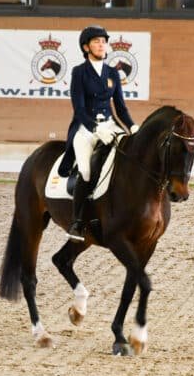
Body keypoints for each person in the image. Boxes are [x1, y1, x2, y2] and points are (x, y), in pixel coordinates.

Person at [59, 26, 139, 242]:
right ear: (86, 47)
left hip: (111, 126)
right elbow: (79, 109)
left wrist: (132, 127)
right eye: (96, 41)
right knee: (86, 171)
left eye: (103, 41)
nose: (102, 44)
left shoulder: (112, 72)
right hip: (86, 128)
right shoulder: (79, 72)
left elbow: (120, 107)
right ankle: (76, 222)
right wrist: (95, 129)